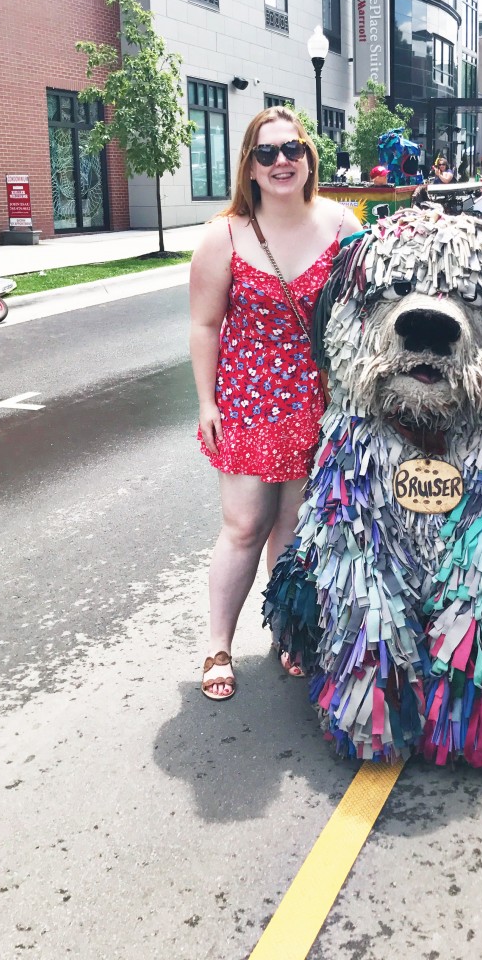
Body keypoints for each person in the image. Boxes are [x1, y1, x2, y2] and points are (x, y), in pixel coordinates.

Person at [190, 106, 357, 699]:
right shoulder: (225, 235)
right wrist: (207, 403)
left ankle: (286, 632)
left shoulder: (343, 227)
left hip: (318, 399)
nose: (281, 161)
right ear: (251, 168)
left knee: (292, 524)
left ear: (309, 158)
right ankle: (217, 646)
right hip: (247, 401)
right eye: (267, 153)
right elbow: (205, 325)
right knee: (243, 525)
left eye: (293, 149)